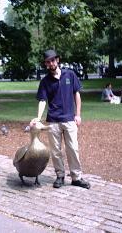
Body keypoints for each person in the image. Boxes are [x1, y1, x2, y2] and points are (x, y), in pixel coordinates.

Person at [36, 49, 91, 189]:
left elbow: (76, 95)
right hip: (53, 120)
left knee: (73, 148)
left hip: (69, 119)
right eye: (48, 62)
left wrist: (78, 115)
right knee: (55, 151)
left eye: (53, 60)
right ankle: (60, 176)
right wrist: (38, 118)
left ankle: (76, 177)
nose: (51, 63)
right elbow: (42, 101)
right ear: (46, 64)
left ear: (57, 60)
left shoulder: (70, 74)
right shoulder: (45, 81)